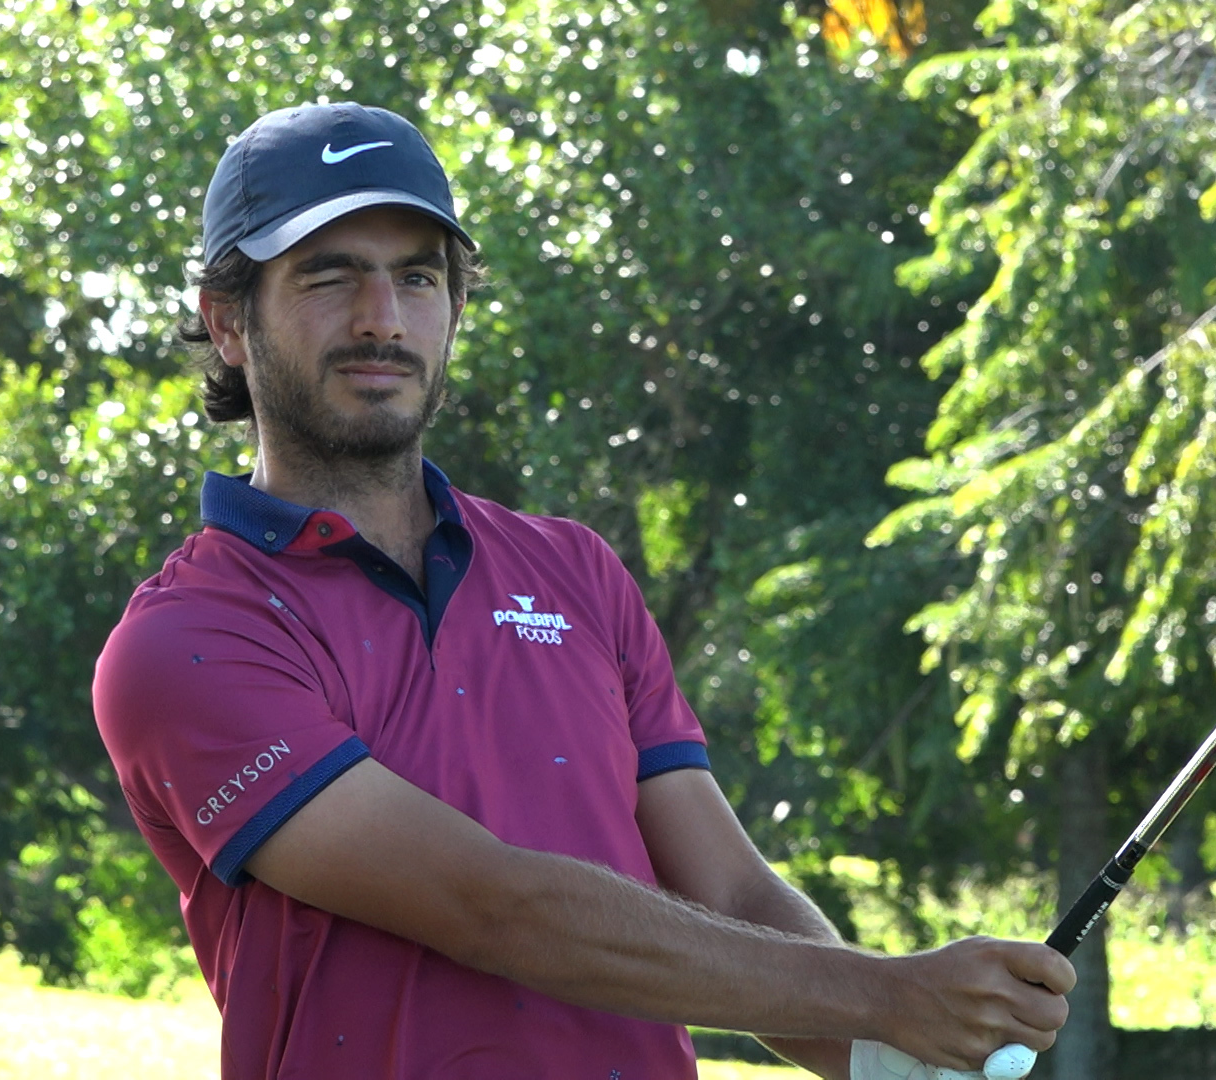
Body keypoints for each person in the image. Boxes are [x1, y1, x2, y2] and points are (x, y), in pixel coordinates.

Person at [91, 101, 1074, 1080]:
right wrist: (889, 996)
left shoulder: (576, 572)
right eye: (329, 275)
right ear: (227, 321)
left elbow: (733, 897)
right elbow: (490, 907)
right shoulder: (186, 640)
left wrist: (897, 1053)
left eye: (418, 276)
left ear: (455, 307)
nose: (381, 317)